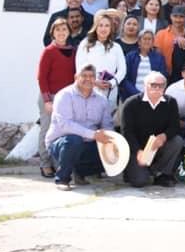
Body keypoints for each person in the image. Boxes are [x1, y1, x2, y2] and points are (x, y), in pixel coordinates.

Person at [44, 66, 114, 190]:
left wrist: (112, 142)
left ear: (95, 79)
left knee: (111, 149)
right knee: (74, 140)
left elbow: (107, 126)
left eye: (91, 76)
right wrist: (93, 135)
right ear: (76, 77)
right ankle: (62, 179)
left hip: (87, 142)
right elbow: (65, 125)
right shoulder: (64, 95)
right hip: (62, 143)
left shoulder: (102, 100)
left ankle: (79, 172)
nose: (88, 79)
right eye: (84, 76)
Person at [120, 71, 183, 188]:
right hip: (137, 149)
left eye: (161, 85)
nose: (157, 88)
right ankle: (136, 171)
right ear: (145, 86)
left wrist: (164, 136)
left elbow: (175, 127)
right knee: (140, 181)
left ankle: (160, 173)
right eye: (153, 85)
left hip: (158, 147)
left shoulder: (170, 102)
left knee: (177, 141)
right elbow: (126, 132)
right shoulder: (131, 103)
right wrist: (138, 151)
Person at [37, 18, 78, 178]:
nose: (61, 33)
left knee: (62, 131)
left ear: (69, 32)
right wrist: (47, 100)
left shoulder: (73, 51)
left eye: (64, 29)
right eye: (58, 30)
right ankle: (45, 164)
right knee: (47, 130)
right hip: (50, 97)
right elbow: (41, 77)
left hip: (66, 98)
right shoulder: (48, 51)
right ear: (52, 32)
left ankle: (57, 163)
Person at [76, 13, 127, 107]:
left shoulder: (116, 47)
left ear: (111, 28)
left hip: (109, 91)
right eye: (101, 25)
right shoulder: (85, 44)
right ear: (95, 27)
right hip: (89, 88)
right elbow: (80, 67)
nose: (103, 29)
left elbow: (122, 70)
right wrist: (94, 81)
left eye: (107, 26)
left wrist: (111, 83)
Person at [121, 30, 168, 99]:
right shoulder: (130, 56)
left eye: (149, 39)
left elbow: (162, 77)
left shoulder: (159, 58)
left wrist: (151, 92)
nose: (147, 41)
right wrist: (136, 93)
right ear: (139, 42)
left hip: (152, 95)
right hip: (133, 96)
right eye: (144, 39)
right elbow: (125, 78)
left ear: (153, 42)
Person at [155, 4, 185, 77]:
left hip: (184, 76)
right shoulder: (161, 34)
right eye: (175, 16)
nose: (178, 20)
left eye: (181, 17)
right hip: (164, 74)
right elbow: (157, 57)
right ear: (170, 16)